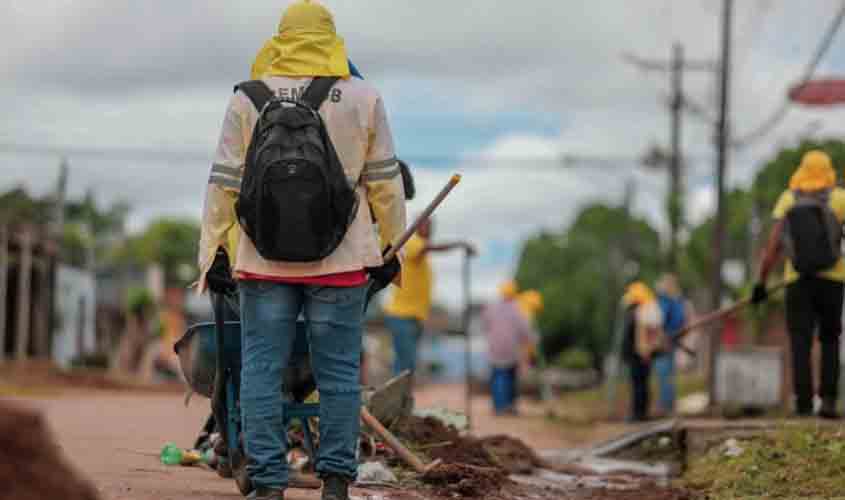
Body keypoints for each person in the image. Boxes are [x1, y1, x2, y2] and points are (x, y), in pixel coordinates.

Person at [197, 2, 407, 499]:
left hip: (261, 262)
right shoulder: (363, 96)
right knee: (337, 376)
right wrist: (391, 247)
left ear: (281, 38)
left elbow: (223, 182)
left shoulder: (247, 98)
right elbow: (385, 182)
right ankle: (335, 483)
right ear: (331, 39)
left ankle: (268, 484)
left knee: (261, 372)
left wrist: (213, 252)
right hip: (342, 262)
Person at [752, 150, 845, 419]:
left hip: (797, 280)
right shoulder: (839, 198)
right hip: (833, 279)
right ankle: (828, 401)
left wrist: (761, 282)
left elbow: (773, 246)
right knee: (830, 339)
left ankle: (803, 403)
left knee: (800, 341)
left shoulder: (788, 198)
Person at [382, 218, 474, 377]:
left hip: (413, 316)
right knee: (406, 363)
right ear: (417, 227)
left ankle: (403, 399)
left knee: (408, 364)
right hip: (402, 315)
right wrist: (459, 244)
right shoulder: (411, 241)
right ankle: (397, 399)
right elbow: (427, 248)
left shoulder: (422, 253)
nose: (430, 230)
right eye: (426, 226)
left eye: (431, 227)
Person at [481, 281, 538, 415]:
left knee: (497, 376)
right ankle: (507, 406)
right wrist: (533, 339)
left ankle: (498, 406)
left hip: (494, 347)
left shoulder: (491, 307)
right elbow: (525, 329)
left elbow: (484, 324)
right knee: (509, 377)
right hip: (511, 349)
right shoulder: (518, 309)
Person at [621, 282, 664, 422]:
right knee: (641, 384)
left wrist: (644, 351)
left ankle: (638, 414)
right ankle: (640, 413)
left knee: (640, 384)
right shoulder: (646, 311)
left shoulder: (643, 312)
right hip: (639, 353)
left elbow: (643, 336)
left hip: (640, 354)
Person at [654, 274, 688, 416]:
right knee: (668, 375)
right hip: (672, 340)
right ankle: (669, 406)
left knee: (663, 374)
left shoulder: (666, 301)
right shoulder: (678, 301)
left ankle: (665, 407)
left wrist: (661, 337)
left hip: (665, 340)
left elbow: (659, 320)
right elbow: (682, 322)